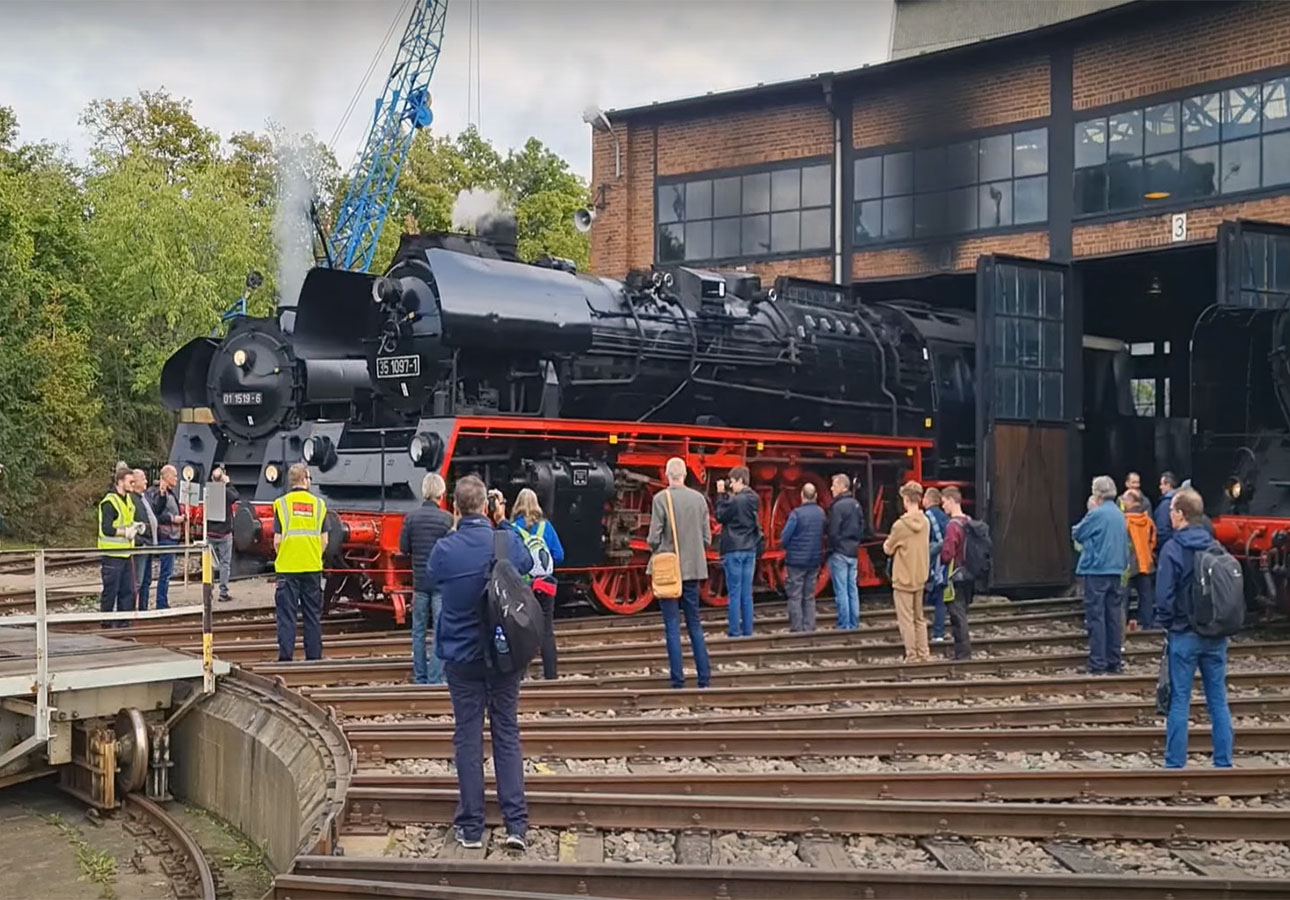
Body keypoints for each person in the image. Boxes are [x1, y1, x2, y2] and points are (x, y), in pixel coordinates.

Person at [428, 474, 533, 851]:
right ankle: (516, 825)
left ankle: (471, 827)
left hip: (461, 657)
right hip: (504, 655)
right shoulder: (503, 540)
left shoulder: (445, 548)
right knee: (506, 732)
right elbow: (527, 562)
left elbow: (432, 579)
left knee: (468, 737)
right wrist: (503, 521)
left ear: (455, 507)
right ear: (488, 506)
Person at [1154, 487, 1234, 769]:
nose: (1169, 517)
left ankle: (1175, 764)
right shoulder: (1215, 546)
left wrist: (1168, 622)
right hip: (1215, 634)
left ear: (1180, 514)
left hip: (1184, 634)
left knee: (1179, 702)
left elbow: (1163, 596)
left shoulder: (1173, 549)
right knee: (1218, 701)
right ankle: (1223, 763)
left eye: (1171, 512)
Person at [647, 457, 713, 689]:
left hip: (670, 573)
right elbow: (707, 538)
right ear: (684, 475)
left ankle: (678, 679)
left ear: (667, 475)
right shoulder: (699, 500)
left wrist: (655, 545)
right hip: (693, 569)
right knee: (695, 624)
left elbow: (654, 538)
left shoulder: (660, 499)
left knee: (672, 626)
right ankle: (704, 677)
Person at [399, 472, 453, 685]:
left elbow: (404, 548)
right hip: (441, 583)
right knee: (440, 631)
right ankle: (435, 677)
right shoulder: (447, 519)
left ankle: (420, 676)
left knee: (418, 632)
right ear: (441, 493)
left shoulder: (411, 518)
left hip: (420, 583)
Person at [1072, 475, 1130, 675]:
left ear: (1097, 493)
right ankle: (1115, 661)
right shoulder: (1119, 514)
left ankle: (1097, 662)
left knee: (1096, 617)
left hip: (1096, 570)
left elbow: (1078, 533)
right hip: (1116, 570)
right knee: (1113, 616)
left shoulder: (1097, 514)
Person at [272, 463, 328, 662]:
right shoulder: (319, 505)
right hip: (312, 567)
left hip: (287, 568)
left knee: (287, 616)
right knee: (312, 616)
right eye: (310, 478)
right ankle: (314, 658)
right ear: (304, 479)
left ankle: (286, 658)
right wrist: (313, 554)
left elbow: (277, 540)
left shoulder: (282, 504)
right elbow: (324, 540)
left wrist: (285, 554)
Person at [511, 487, 564, 680]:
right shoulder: (546, 527)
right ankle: (551, 675)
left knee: (522, 630)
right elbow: (559, 555)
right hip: (546, 586)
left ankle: (520, 675)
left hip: (523, 587)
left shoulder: (514, 529)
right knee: (547, 631)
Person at [883, 481, 932, 663]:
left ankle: (911, 655)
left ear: (905, 499)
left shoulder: (900, 526)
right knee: (919, 618)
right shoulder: (925, 522)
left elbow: (888, 548)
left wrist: (886, 543)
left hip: (903, 577)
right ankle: (924, 653)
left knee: (906, 620)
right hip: (920, 575)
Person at [715, 465, 760, 637]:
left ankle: (734, 630)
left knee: (734, 592)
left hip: (734, 548)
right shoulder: (754, 498)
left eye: (732, 482)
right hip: (749, 547)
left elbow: (720, 515)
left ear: (740, 480)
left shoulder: (735, 501)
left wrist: (720, 494)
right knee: (747, 592)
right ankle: (748, 630)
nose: (731, 485)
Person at [779, 482, 826, 632]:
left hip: (796, 560)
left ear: (801, 496)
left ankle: (797, 628)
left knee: (795, 595)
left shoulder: (796, 514)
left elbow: (785, 537)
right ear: (816, 496)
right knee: (809, 595)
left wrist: (788, 547)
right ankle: (809, 626)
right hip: (814, 559)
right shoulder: (821, 513)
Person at [98, 467, 142, 627]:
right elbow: (107, 528)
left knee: (128, 591)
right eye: (130, 481)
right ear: (120, 482)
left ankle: (124, 622)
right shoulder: (110, 502)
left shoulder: (128, 500)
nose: (133, 484)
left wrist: (136, 527)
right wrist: (125, 532)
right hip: (112, 554)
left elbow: (128, 521)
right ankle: (106, 623)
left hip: (126, 554)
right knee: (111, 590)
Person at [938, 486, 973, 659]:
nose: (943, 507)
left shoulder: (953, 525)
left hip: (955, 574)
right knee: (962, 612)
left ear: (951, 501)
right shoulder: (968, 520)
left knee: (957, 615)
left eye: (944, 503)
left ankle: (963, 653)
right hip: (969, 573)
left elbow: (948, 553)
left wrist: (940, 556)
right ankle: (962, 651)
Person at [142, 465, 183, 611]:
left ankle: (161, 601)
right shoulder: (158, 492)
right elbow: (157, 513)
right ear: (166, 477)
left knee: (167, 572)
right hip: (166, 535)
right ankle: (160, 602)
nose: (177, 479)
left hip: (171, 535)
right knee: (165, 572)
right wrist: (173, 518)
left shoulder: (170, 493)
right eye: (175, 476)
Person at [827, 473, 864, 630]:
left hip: (840, 552)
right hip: (853, 551)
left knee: (841, 590)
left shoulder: (837, 507)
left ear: (842, 486)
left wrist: (832, 547)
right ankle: (854, 623)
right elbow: (862, 526)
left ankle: (844, 624)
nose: (831, 488)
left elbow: (833, 531)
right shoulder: (856, 505)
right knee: (852, 589)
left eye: (834, 485)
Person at [1122, 488, 1157, 629]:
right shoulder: (1148, 521)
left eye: (1125, 499)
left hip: (1127, 564)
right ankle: (1147, 624)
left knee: (1123, 597)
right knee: (1146, 597)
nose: (1123, 502)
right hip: (1145, 563)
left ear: (1131, 502)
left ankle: (1121, 624)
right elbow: (1153, 540)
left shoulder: (1123, 521)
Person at [206, 467, 239, 602]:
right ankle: (223, 592)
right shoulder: (226, 492)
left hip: (210, 533)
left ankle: (208, 591)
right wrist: (228, 483)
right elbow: (236, 496)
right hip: (224, 534)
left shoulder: (208, 491)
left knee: (210, 564)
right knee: (225, 563)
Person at [922, 487, 949, 642]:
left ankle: (938, 632)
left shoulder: (928, 517)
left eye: (925, 497)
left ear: (930, 499)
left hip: (934, 561)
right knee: (941, 597)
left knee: (938, 597)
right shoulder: (944, 517)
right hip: (943, 561)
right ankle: (939, 631)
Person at [131, 469, 158, 606]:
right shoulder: (132, 500)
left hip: (149, 544)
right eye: (143, 478)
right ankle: (132, 610)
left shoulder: (145, 497)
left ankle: (143, 608)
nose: (146, 481)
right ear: (134, 481)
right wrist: (140, 541)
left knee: (147, 580)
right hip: (141, 545)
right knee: (138, 581)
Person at [1154, 471, 1179, 553]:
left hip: (1166, 548)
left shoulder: (1165, 504)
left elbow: (1162, 530)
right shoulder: (1181, 500)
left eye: (1162, 484)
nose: (1160, 487)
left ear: (1168, 485)